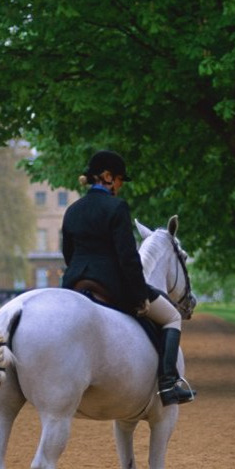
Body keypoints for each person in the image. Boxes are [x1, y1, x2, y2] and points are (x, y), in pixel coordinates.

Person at [61, 150, 194, 406]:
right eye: (120, 179)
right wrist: (140, 296)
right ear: (108, 177)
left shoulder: (72, 210)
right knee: (172, 316)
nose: (120, 185)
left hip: (74, 284)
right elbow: (128, 259)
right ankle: (168, 384)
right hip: (110, 284)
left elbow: (69, 255)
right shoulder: (117, 207)